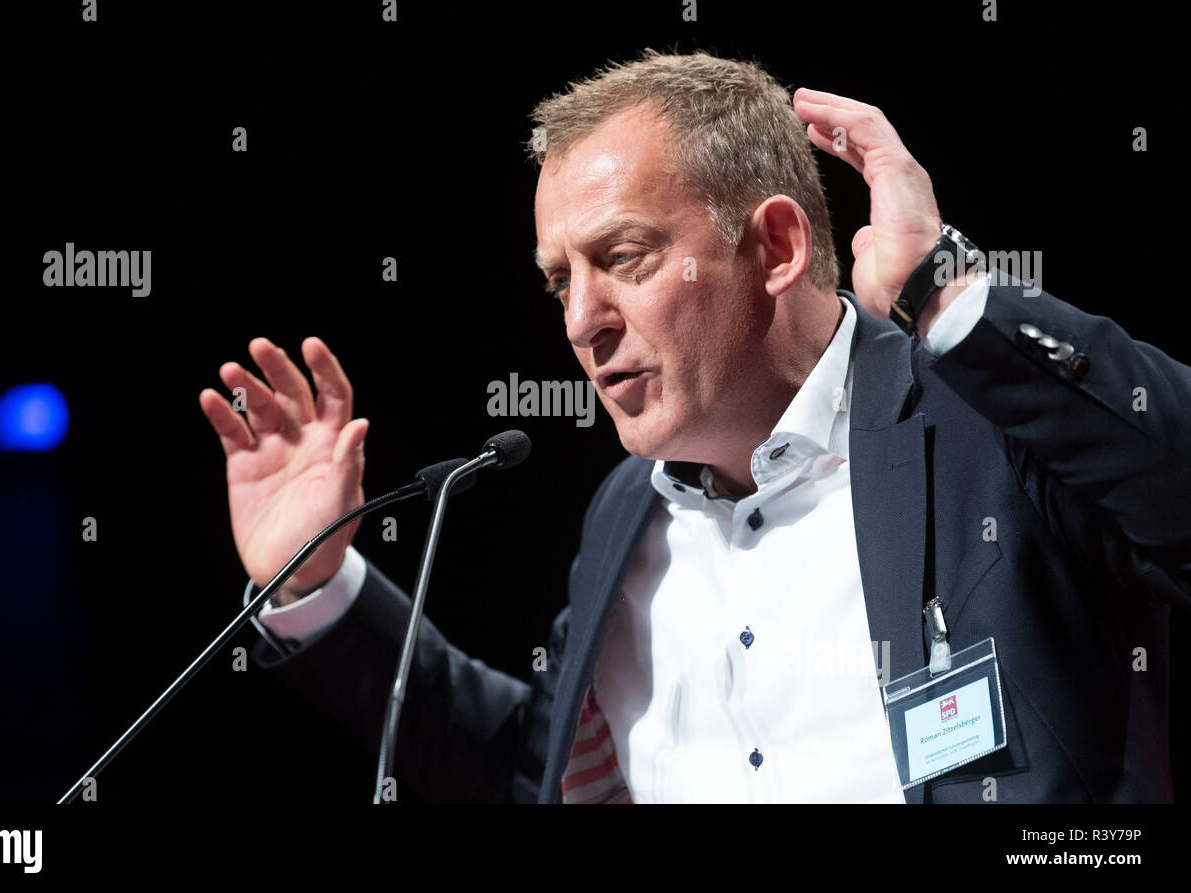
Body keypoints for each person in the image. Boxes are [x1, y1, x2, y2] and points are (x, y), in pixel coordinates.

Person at [198, 50, 1190, 803]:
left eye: (621, 256)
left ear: (773, 246)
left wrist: (947, 294)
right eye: (558, 279)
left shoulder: (988, 419)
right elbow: (533, 770)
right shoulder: (622, 513)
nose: (580, 320)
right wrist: (319, 588)